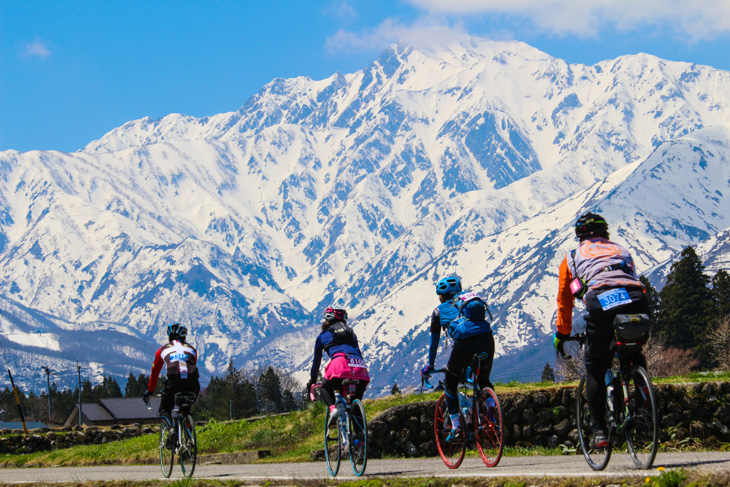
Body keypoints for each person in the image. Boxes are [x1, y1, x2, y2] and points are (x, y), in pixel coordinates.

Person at [553, 212, 650, 448]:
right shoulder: (621, 250)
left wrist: (562, 333)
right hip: (636, 298)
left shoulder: (573, 257)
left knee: (595, 367)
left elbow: (565, 299)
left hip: (601, 300)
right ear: (605, 232)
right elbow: (630, 277)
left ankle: (600, 431)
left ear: (579, 236)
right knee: (633, 352)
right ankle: (645, 398)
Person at [422, 276, 495, 439]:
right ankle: (493, 414)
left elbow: (434, 343)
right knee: (483, 380)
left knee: (450, 382)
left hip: (465, 343)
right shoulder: (468, 300)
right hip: (487, 338)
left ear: (441, 295)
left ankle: (456, 427)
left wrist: (430, 365)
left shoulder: (438, 311)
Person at [143, 323, 200, 447]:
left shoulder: (162, 350)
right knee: (185, 409)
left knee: (164, 409)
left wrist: (150, 390)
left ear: (169, 337)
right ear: (184, 338)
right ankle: (189, 438)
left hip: (174, 382)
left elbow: (155, 371)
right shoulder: (192, 349)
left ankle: (171, 429)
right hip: (193, 383)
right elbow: (192, 365)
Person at [306, 307, 370, 417]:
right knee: (355, 409)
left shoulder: (323, 336)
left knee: (326, 387)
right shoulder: (351, 334)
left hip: (339, 365)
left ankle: (333, 410)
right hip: (359, 366)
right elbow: (358, 353)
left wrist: (312, 379)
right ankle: (360, 433)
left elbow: (317, 360)